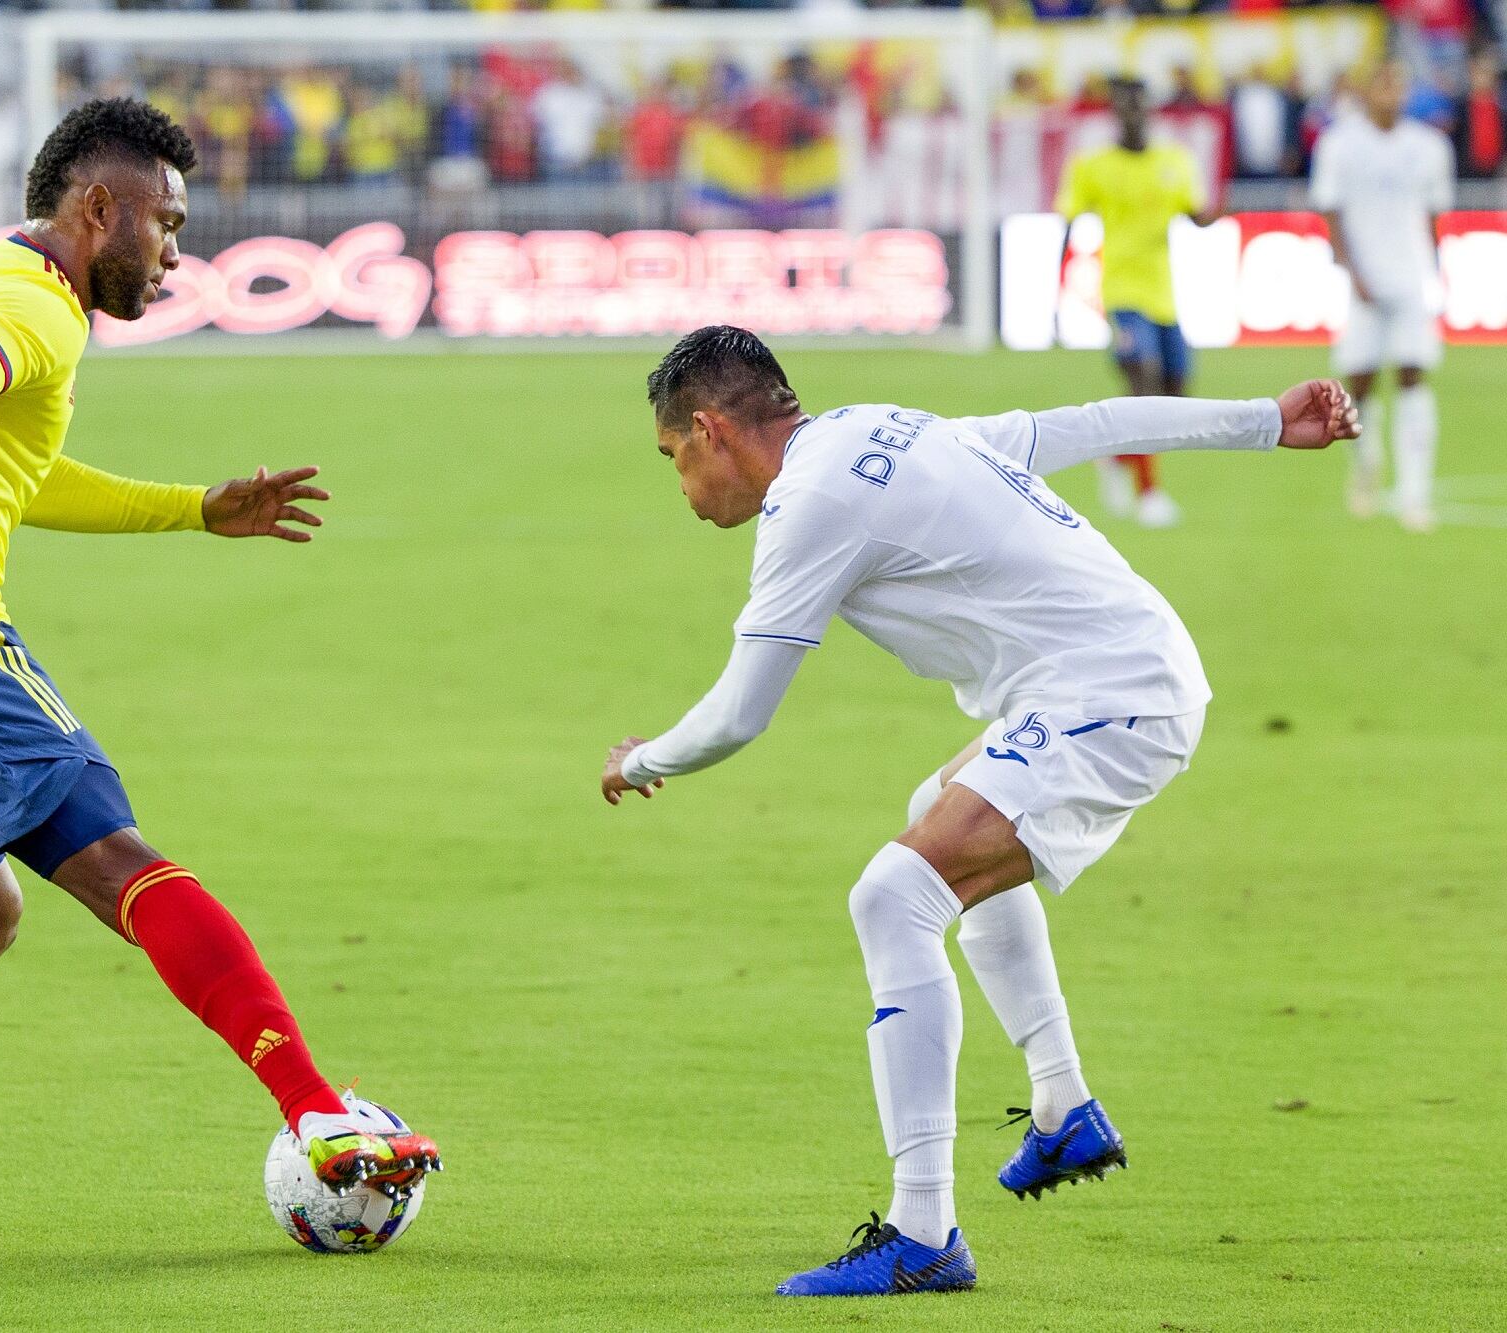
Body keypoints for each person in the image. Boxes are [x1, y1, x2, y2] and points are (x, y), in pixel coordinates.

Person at [0, 98, 438, 1249]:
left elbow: (21, 470)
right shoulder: (30, 308)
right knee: (120, 860)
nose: (174, 253)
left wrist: (191, 511)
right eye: (163, 223)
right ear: (95, 207)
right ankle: (321, 1119)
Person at [600, 325, 1357, 1298]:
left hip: (1109, 693)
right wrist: (1262, 420)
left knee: (893, 896)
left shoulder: (810, 503)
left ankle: (922, 1230)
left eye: (673, 460)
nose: (681, 487)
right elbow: (1086, 424)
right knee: (934, 812)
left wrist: (640, 759)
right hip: (1110, 676)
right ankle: (1060, 1105)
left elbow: (738, 715)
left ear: (707, 429)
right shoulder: (886, 428)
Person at [1054, 76, 1212, 528]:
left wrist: (1209, 216)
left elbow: (1194, 212)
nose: (1132, 114)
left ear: (1150, 109)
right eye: (1123, 107)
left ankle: (1112, 455)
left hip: (1164, 293)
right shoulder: (1093, 165)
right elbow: (1068, 221)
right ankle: (1150, 495)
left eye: (1138, 105)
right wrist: (1056, 292)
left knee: (1177, 394)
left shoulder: (1174, 160)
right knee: (1144, 378)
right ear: (1113, 114)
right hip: (1122, 292)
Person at [1311, 58, 1456, 531]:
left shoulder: (1430, 146)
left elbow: (1434, 215)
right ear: (1365, 90)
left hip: (1410, 279)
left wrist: (1436, 270)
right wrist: (1351, 273)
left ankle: (1416, 492)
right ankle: (1366, 464)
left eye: (1397, 83)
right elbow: (1330, 211)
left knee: (1413, 375)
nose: (1390, 92)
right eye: (1381, 83)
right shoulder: (1340, 144)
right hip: (1362, 282)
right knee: (1362, 381)